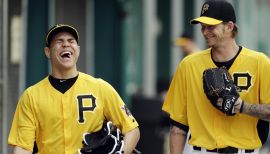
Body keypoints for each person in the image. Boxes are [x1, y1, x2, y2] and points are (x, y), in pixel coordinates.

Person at [8, 24, 140, 154]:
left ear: (78, 50)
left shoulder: (100, 88)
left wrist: (121, 152)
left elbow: (132, 130)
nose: (66, 44)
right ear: (47, 52)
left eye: (71, 41)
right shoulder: (31, 96)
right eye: (59, 41)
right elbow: (23, 147)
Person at [162, 0, 270, 154]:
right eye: (203, 27)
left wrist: (242, 106)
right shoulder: (188, 65)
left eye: (211, 26)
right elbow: (178, 125)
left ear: (229, 26)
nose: (205, 32)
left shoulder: (260, 63)